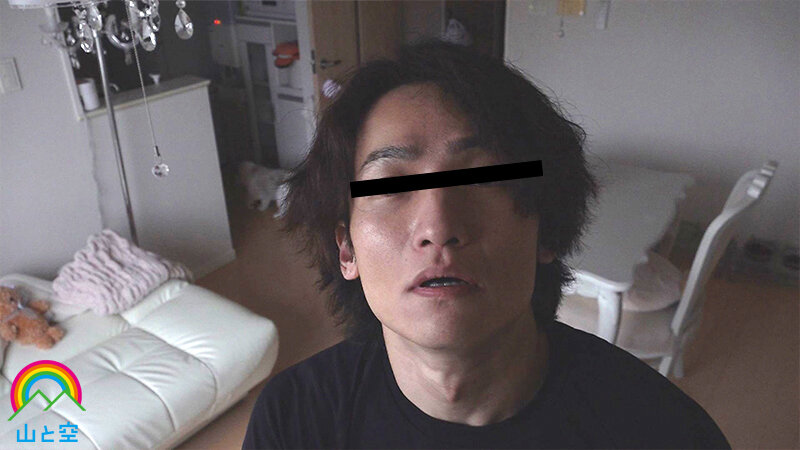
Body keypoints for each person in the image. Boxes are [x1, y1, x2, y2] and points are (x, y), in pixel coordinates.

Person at [242, 39, 730, 449]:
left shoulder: (663, 431)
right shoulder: (294, 421)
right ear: (346, 250)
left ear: (544, 227)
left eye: (481, 178)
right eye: (390, 186)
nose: (437, 226)